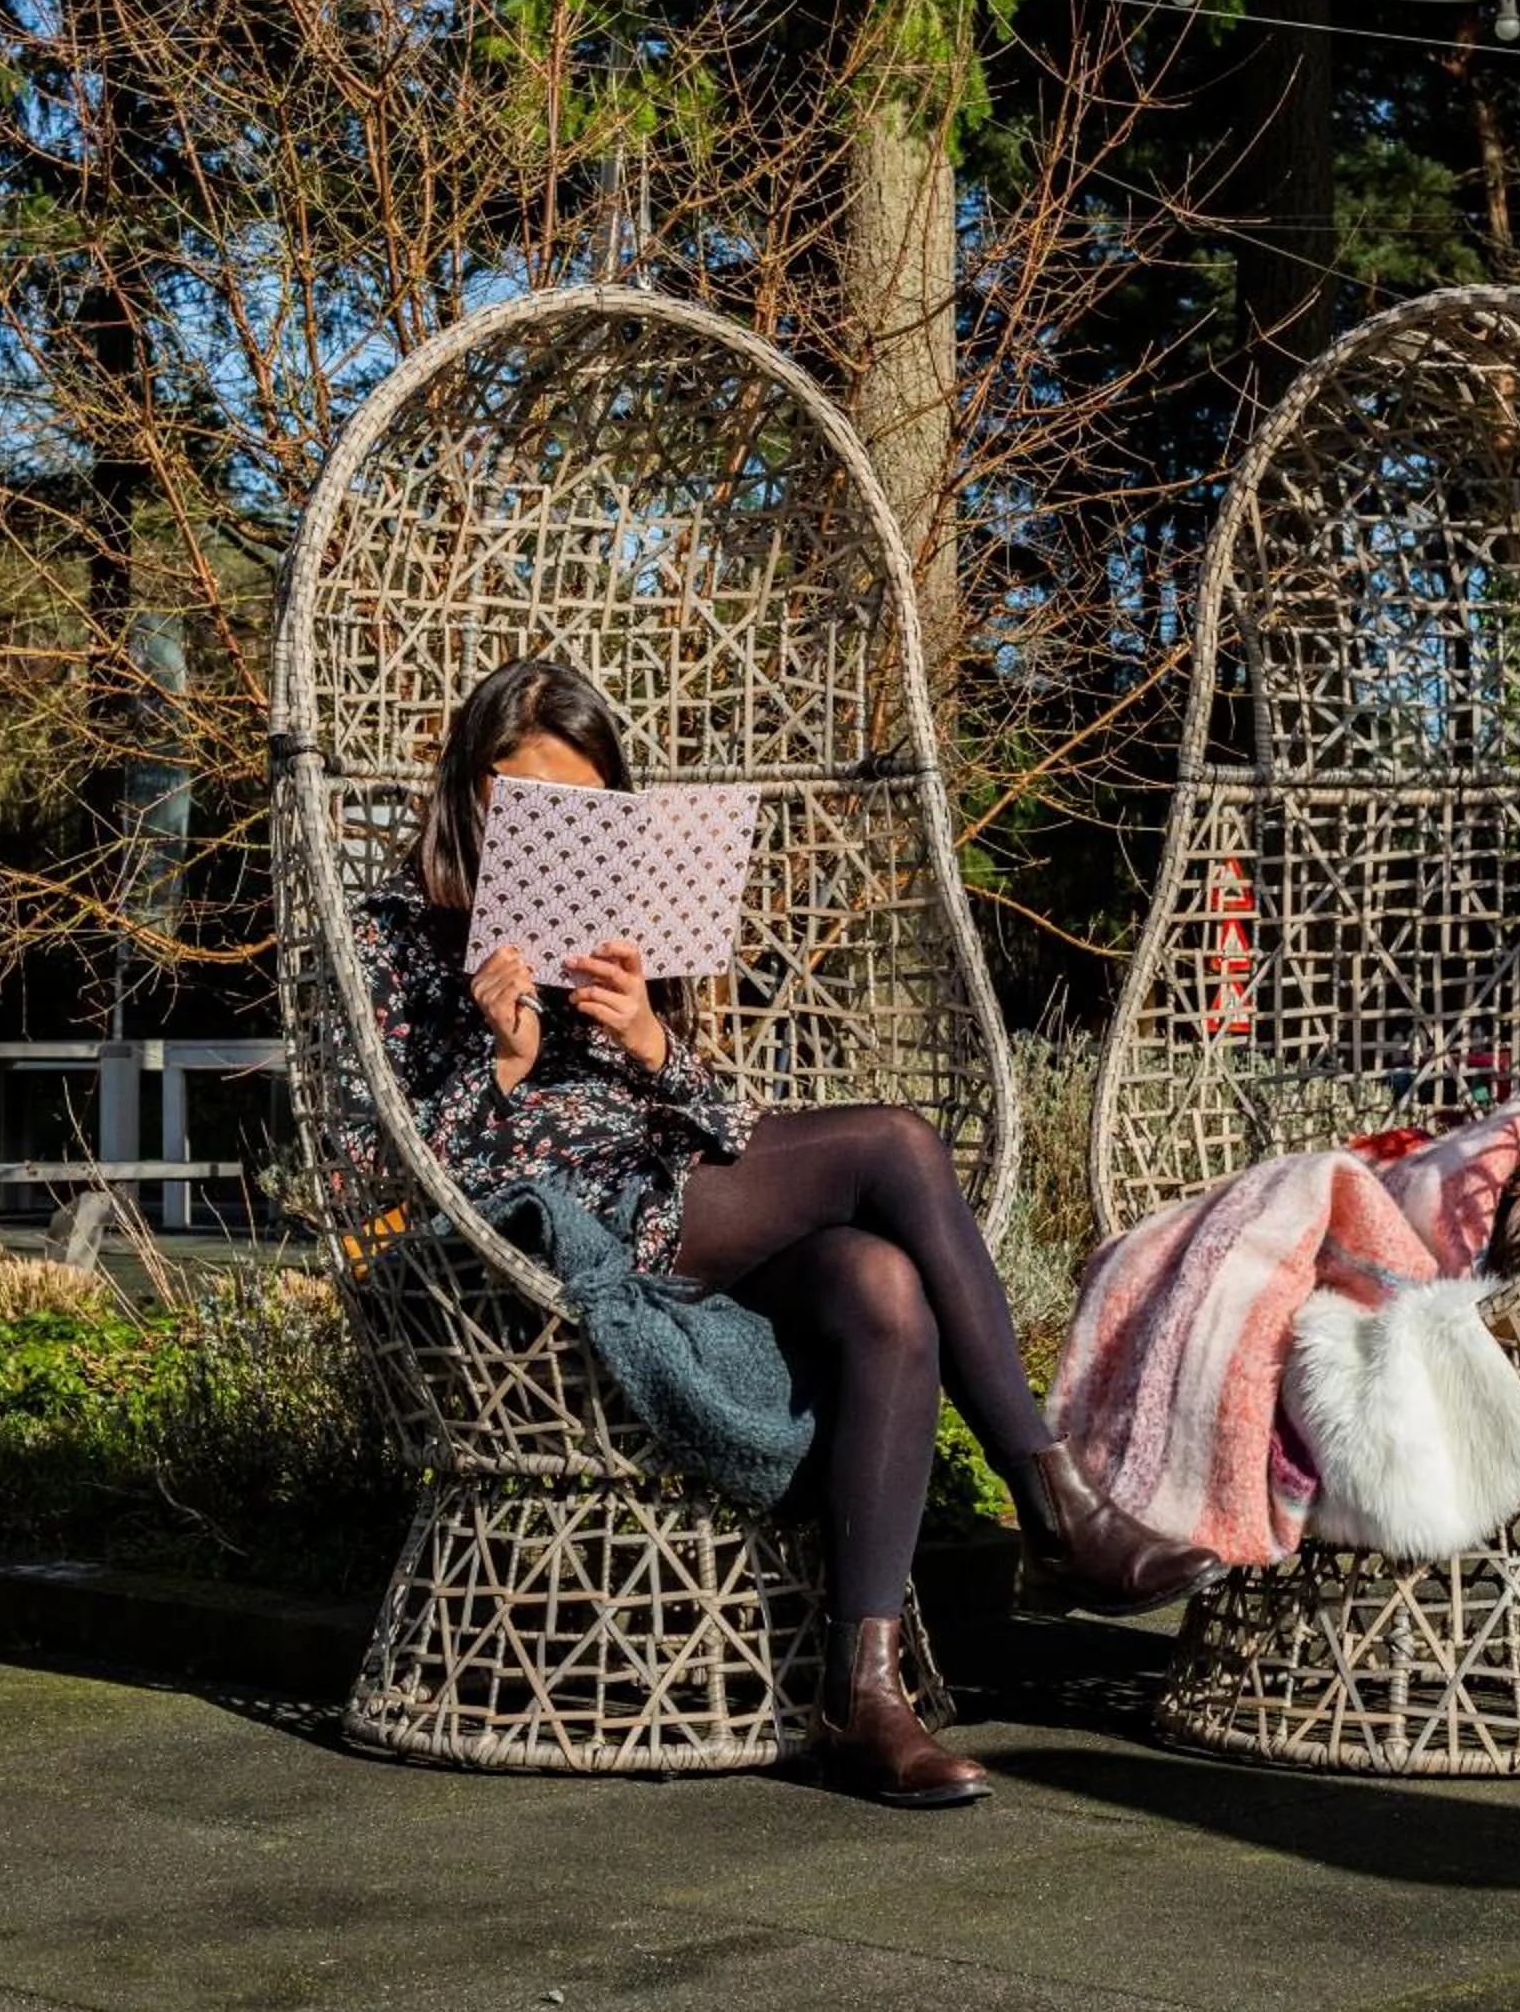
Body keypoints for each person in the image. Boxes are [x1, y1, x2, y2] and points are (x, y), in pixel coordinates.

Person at [351, 656, 1223, 1809]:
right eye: (525, 807)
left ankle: (864, 1696)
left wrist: (651, 1043)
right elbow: (407, 1176)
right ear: (472, 797)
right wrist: (499, 1059)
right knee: (897, 1145)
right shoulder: (395, 936)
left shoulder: (631, 932)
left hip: (676, 1194)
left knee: (879, 1286)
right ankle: (1054, 1506)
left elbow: (720, 1125)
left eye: (583, 810)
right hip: (556, 1230)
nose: (552, 837)